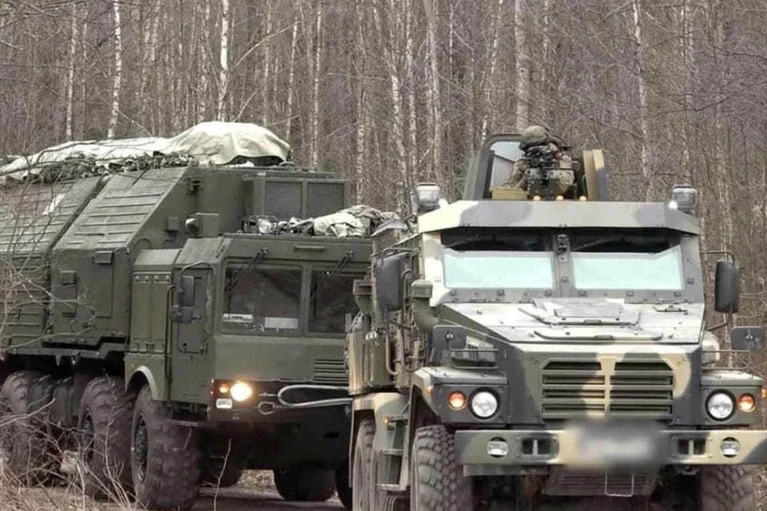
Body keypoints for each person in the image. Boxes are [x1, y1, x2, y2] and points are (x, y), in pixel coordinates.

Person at [505, 125, 574, 198]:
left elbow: (563, 186)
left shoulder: (560, 160)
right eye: (531, 149)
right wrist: (525, 178)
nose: (537, 153)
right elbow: (511, 191)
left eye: (541, 146)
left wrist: (562, 163)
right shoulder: (523, 163)